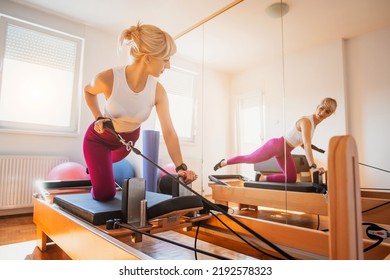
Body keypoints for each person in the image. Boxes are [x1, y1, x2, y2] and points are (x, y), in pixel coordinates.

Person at [83, 22, 197, 201]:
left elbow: (168, 131)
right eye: (166, 59)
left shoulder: (158, 91)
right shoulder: (108, 79)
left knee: (104, 168)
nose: (168, 66)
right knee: (105, 193)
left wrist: (180, 167)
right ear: (149, 57)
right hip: (100, 140)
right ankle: (95, 167)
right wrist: (98, 116)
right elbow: (88, 92)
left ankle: (96, 166)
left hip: (126, 144)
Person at [213, 97, 337, 183]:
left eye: (326, 111)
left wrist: (317, 154)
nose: (322, 112)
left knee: (291, 178)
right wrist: (313, 166)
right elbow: (307, 144)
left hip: (285, 152)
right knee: (250, 158)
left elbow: (304, 144)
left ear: (330, 115)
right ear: (317, 107)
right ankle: (225, 162)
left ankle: (262, 178)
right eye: (321, 108)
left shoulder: (314, 125)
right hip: (276, 146)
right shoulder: (307, 121)